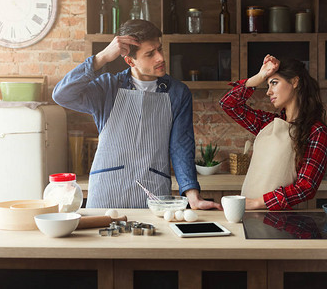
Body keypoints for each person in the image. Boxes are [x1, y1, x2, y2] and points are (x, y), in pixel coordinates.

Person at [53, 19, 221, 210]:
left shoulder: (178, 92)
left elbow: (181, 146)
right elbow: (61, 95)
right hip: (107, 191)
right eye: (150, 54)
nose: (160, 58)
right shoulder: (108, 87)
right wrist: (102, 58)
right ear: (130, 60)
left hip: (153, 192)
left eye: (160, 49)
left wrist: (192, 195)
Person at [219, 55, 327, 210]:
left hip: (280, 220)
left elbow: (306, 186)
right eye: (268, 85)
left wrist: (258, 202)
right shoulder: (268, 123)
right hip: (246, 213)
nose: (268, 92)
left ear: (294, 82)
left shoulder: (316, 131)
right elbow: (228, 104)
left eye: (274, 83)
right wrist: (260, 76)